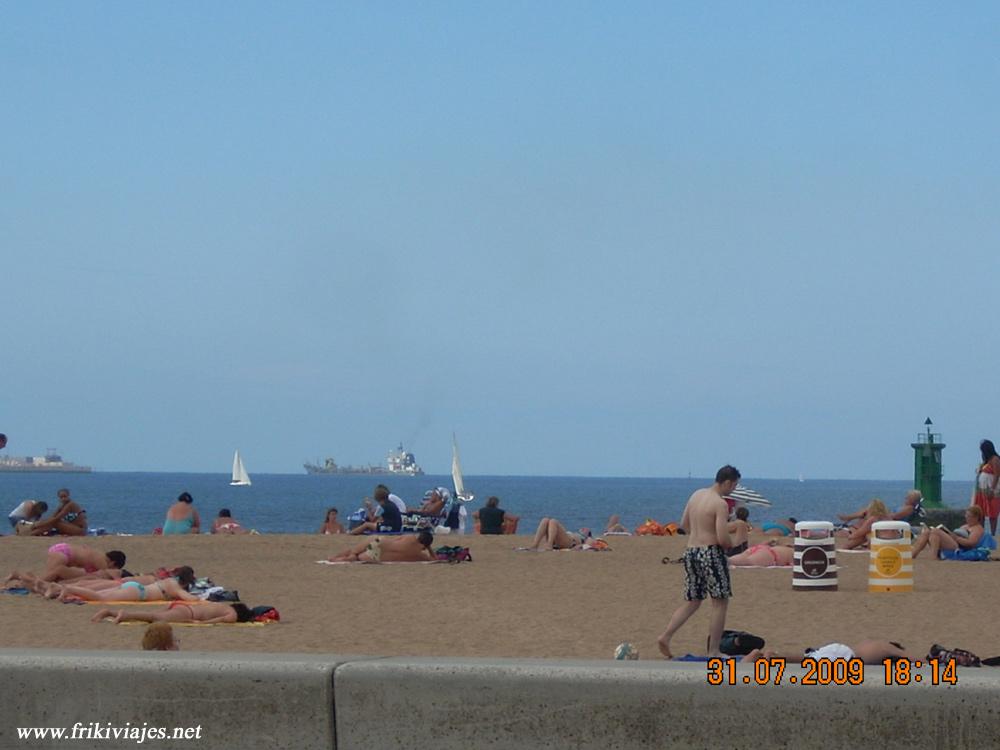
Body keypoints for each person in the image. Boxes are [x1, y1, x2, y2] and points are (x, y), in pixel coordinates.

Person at [657, 465, 740, 660]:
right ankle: (714, 651)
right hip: (710, 553)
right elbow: (722, 537)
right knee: (720, 603)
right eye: (734, 486)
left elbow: (684, 525)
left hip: (691, 551)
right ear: (727, 482)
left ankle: (666, 635)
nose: (733, 490)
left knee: (693, 601)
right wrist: (734, 543)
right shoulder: (719, 504)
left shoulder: (697, 495)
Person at [54, 566, 199, 603]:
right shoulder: (175, 586)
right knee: (101, 598)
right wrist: (199, 598)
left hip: (134, 587)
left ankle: (71, 592)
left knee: (99, 595)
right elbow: (189, 598)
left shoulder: (169, 581)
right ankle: (70, 588)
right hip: (139, 593)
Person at [5, 545, 126, 585]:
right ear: (113, 563)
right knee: (45, 581)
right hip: (63, 553)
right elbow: (104, 574)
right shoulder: (102, 562)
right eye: (115, 568)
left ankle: (24, 577)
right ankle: (19, 576)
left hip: (63, 551)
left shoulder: (98, 556)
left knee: (53, 577)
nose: (113, 570)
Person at [912, 506, 995, 561]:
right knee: (928, 532)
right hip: (953, 541)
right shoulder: (965, 526)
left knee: (935, 532)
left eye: (969, 516)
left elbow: (970, 543)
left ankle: (934, 556)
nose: (967, 518)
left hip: (958, 547)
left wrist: (956, 538)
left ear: (976, 517)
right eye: (966, 516)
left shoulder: (977, 529)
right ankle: (913, 554)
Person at [742, 639, 912, 664]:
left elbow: (907, 657)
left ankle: (774, 657)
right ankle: (774, 658)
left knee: (809, 660)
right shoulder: (880, 648)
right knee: (809, 659)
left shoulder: (883, 647)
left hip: (844, 658)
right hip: (842, 657)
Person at [94, 602, 254, 625]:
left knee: (154, 616)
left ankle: (109, 612)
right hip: (188, 613)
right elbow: (219, 620)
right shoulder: (232, 615)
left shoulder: (224, 605)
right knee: (153, 618)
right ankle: (124, 615)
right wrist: (200, 623)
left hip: (185, 607)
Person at [328, 529, 436, 563]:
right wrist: (429, 548)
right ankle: (343, 559)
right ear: (426, 545)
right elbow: (434, 560)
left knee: (354, 551)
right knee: (357, 557)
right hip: (377, 556)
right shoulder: (420, 556)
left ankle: (333, 558)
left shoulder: (410, 537)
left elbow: (394, 539)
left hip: (381, 542)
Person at [838, 490, 924, 527]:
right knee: (868, 509)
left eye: (908, 497)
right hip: (889, 519)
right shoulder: (905, 507)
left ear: (913, 499)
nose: (906, 498)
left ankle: (849, 518)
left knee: (870, 510)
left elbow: (895, 517)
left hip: (892, 523)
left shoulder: (909, 508)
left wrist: (883, 513)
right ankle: (849, 519)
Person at [973, 440, 1000, 535]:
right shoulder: (986, 461)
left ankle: (993, 533)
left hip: (991, 490)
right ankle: (981, 533)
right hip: (982, 490)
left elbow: (997, 475)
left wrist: (992, 489)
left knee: (993, 512)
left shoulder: (995, 459)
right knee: (981, 512)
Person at [727, 540, 794, 567]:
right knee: (748, 561)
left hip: (764, 548)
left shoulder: (789, 547)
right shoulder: (796, 554)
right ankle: (726, 561)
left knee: (740, 557)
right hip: (771, 555)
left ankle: (724, 560)